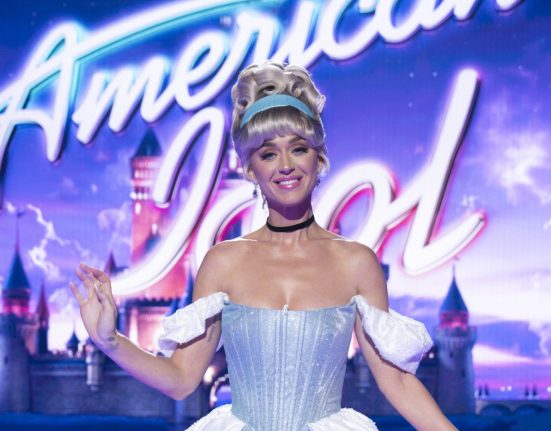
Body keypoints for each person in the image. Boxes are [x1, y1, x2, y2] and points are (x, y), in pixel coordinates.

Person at [71, 61, 459, 430]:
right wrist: (110, 340)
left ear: (319, 158)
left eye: (299, 148)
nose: (286, 164)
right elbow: (181, 379)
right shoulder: (222, 262)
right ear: (250, 169)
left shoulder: (357, 263)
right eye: (269, 153)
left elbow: (397, 382)